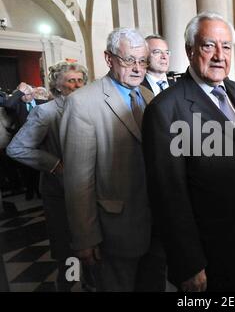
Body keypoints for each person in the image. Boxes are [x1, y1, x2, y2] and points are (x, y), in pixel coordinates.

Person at [142, 12, 235, 292]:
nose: (219, 55)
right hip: (214, 253)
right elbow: (168, 195)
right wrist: (188, 263)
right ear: (190, 50)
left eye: (226, 46)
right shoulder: (166, 109)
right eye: (209, 45)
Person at [59, 28, 165, 292]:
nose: (138, 68)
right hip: (114, 230)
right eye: (129, 60)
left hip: (155, 226)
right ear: (109, 59)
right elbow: (77, 180)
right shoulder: (83, 103)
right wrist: (85, 238)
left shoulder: (150, 97)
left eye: (143, 61)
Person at [6, 61, 88, 291]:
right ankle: (67, 285)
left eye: (81, 80)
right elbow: (17, 148)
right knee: (67, 251)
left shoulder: (89, 107)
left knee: (91, 248)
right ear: (58, 86)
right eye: (71, 80)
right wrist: (54, 164)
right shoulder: (46, 112)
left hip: (88, 191)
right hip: (59, 193)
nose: (77, 85)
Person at [0, 82, 46, 200]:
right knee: (26, 168)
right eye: (24, 95)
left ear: (33, 93)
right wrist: (20, 91)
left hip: (41, 140)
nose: (27, 97)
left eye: (29, 94)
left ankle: (39, 190)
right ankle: (30, 190)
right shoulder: (17, 105)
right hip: (23, 142)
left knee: (40, 166)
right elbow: (7, 104)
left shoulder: (42, 103)